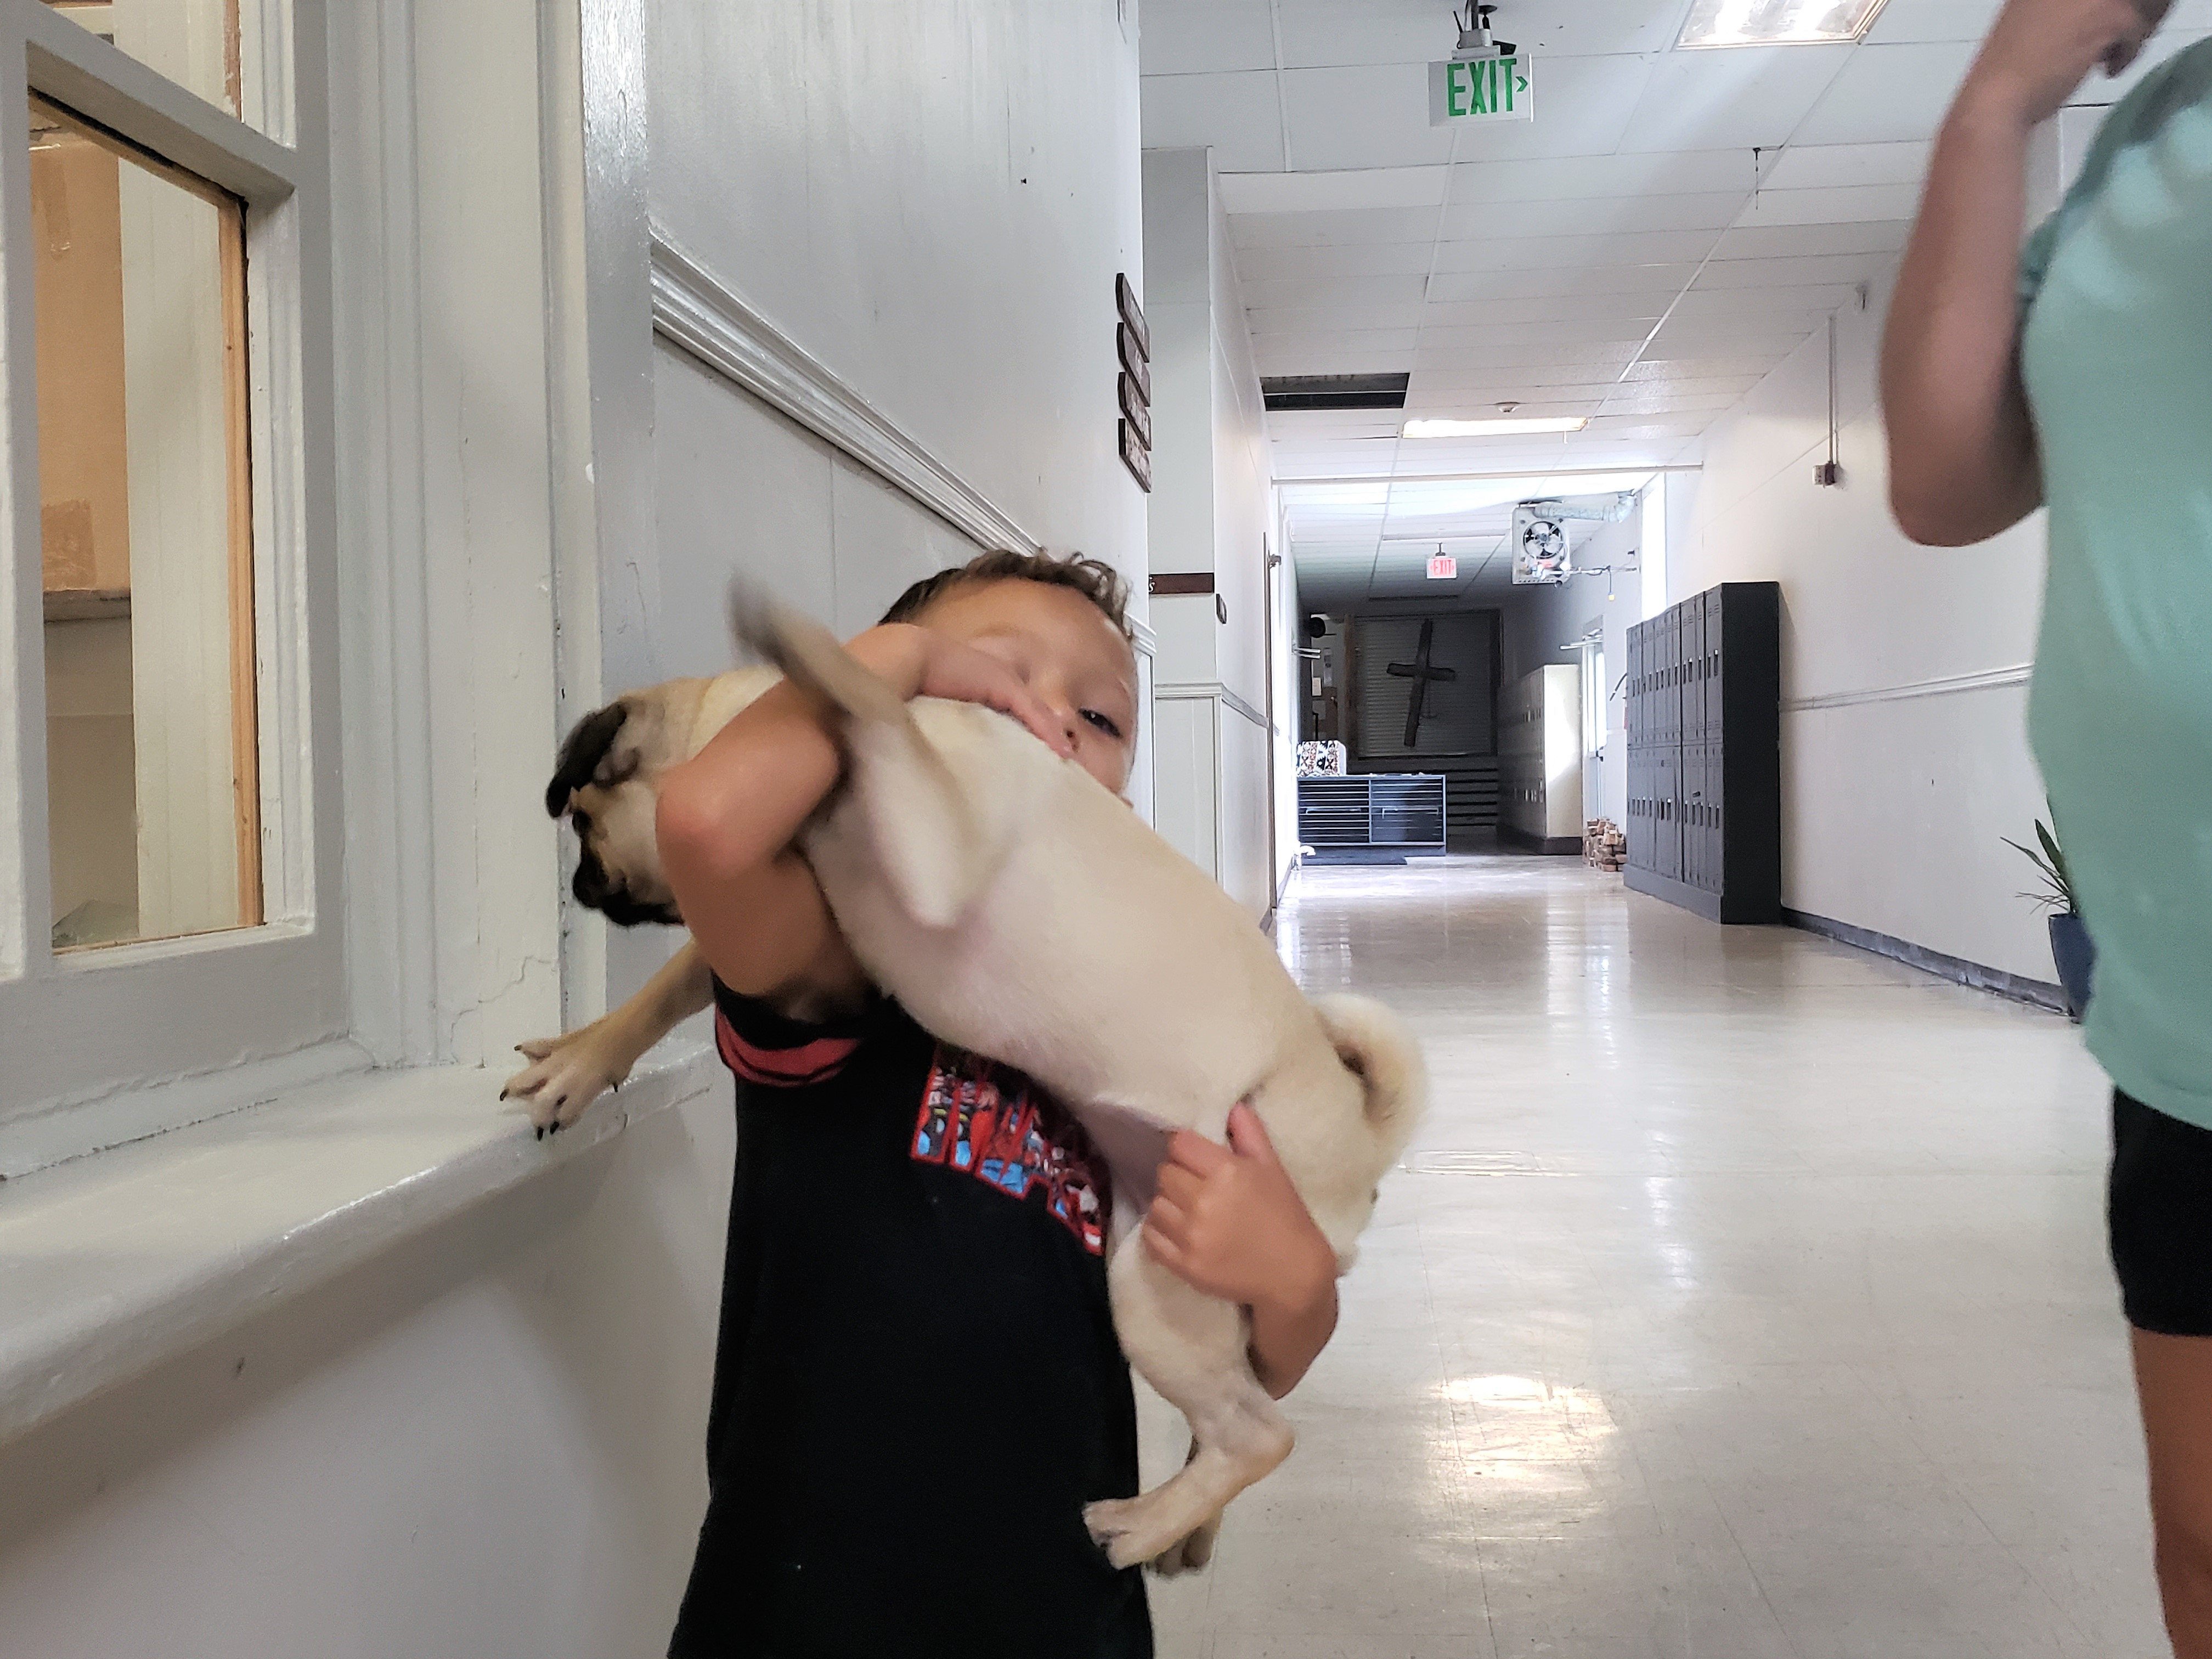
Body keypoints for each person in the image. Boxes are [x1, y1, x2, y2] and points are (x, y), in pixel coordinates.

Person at [651, 550, 1342, 1658]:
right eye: (997, 679)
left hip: (1065, 1614)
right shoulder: (834, 966)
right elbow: (705, 825)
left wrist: (1297, 1278)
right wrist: (906, 660)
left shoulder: (1139, 1048)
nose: (1051, 721)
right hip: (796, 1613)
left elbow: (1259, 1358)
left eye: (1102, 718)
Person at [1882, 1, 2212, 1650]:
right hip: (2185, 1017)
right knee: (2204, 1544)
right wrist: (2005, 98)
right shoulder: (2146, 136)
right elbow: (1943, 479)